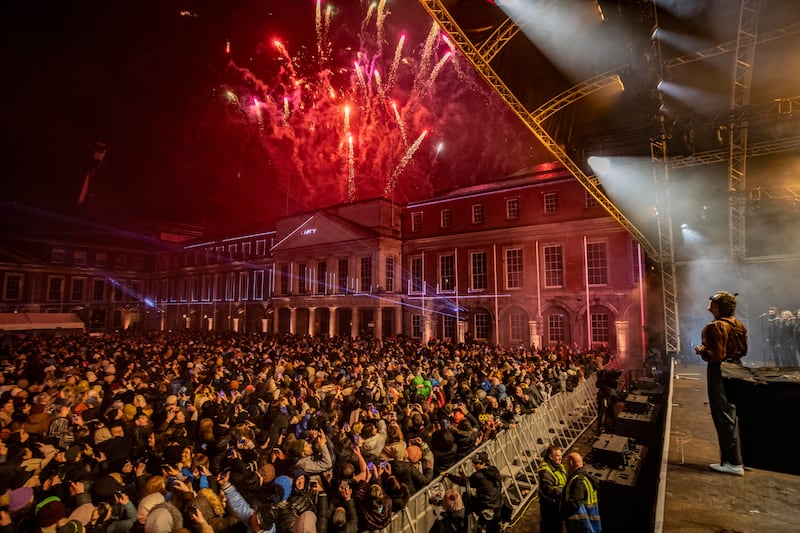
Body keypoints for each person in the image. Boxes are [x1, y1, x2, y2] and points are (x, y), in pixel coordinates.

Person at [694, 291, 746, 476]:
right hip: (736, 368)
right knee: (733, 413)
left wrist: (702, 351)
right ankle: (739, 458)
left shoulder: (715, 326)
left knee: (722, 414)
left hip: (720, 371)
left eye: (712, 303)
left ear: (717, 307)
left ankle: (732, 462)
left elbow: (715, 355)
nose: (709, 304)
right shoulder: (738, 324)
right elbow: (743, 350)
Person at [443, 451, 505, 532]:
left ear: (482, 464)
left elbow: (464, 482)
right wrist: (464, 476)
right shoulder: (494, 470)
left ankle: (466, 519)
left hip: (487, 506)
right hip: (498, 504)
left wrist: (448, 475)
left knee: (466, 496)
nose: (474, 465)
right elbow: (474, 482)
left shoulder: (478, 475)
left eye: (476, 464)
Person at [561, 452, 601, 533]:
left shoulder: (578, 481)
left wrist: (563, 511)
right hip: (591, 524)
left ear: (571, 463)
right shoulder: (587, 477)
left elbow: (575, 503)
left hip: (581, 525)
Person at [537, 444, 567, 533]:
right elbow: (549, 490)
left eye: (560, 455)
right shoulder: (545, 471)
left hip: (559, 505)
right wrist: (566, 492)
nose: (560, 458)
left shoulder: (560, 466)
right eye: (557, 456)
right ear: (550, 456)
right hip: (550, 507)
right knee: (549, 527)